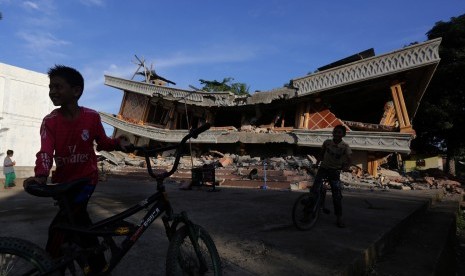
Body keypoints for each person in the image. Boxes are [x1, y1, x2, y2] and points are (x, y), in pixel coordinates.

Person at [24, 65, 131, 274]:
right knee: (78, 225)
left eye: (58, 86)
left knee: (61, 227)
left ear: (76, 91)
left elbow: (103, 142)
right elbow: (45, 151)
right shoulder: (50, 121)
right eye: (50, 87)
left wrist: (118, 143)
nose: (52, 91)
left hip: (86, 180)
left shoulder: (91, 117)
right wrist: (41, 176)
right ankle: (94, 263)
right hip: (64, 183)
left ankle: (52, 266)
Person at [311, 124, 352, 228]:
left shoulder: (345, 146)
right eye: (335, 131)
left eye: (339, 132)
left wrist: (346, 167)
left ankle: (339, 218)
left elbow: (349, 159)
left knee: (336, 195)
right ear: (332, 133)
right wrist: (317, 163)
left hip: (334, 171)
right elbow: (321, 154)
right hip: (323, 168)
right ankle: (309, 210)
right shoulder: (327, 143)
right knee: (315, 189)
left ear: (343, 135)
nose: (337, 134)